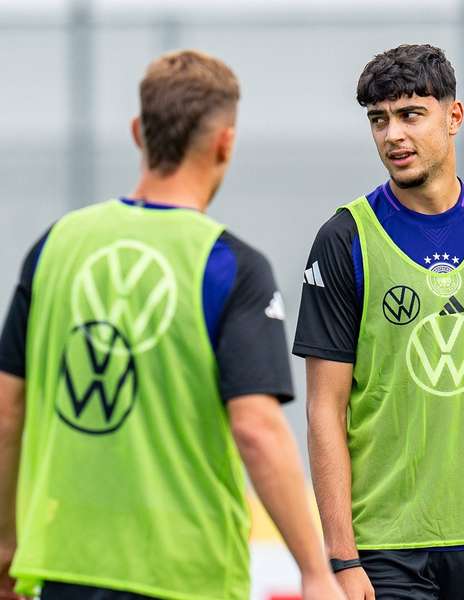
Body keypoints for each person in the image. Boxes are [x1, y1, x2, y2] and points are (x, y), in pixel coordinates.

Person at [0, 50, 343, 600]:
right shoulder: (230, 265)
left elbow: (6, 409)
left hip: (64, 566)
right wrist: (315, 570)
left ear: (139, 132)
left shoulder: (55, 246)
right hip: (185, 576)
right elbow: (256, 429)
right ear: (225, 142)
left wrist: (5, 543)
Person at [293, 44, 464, 600]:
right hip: (388, 549)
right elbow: (325, 410)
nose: (393, 135)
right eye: (379, 120)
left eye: (410, 115)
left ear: (454, 117)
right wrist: (341, 559)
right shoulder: (345, 239)